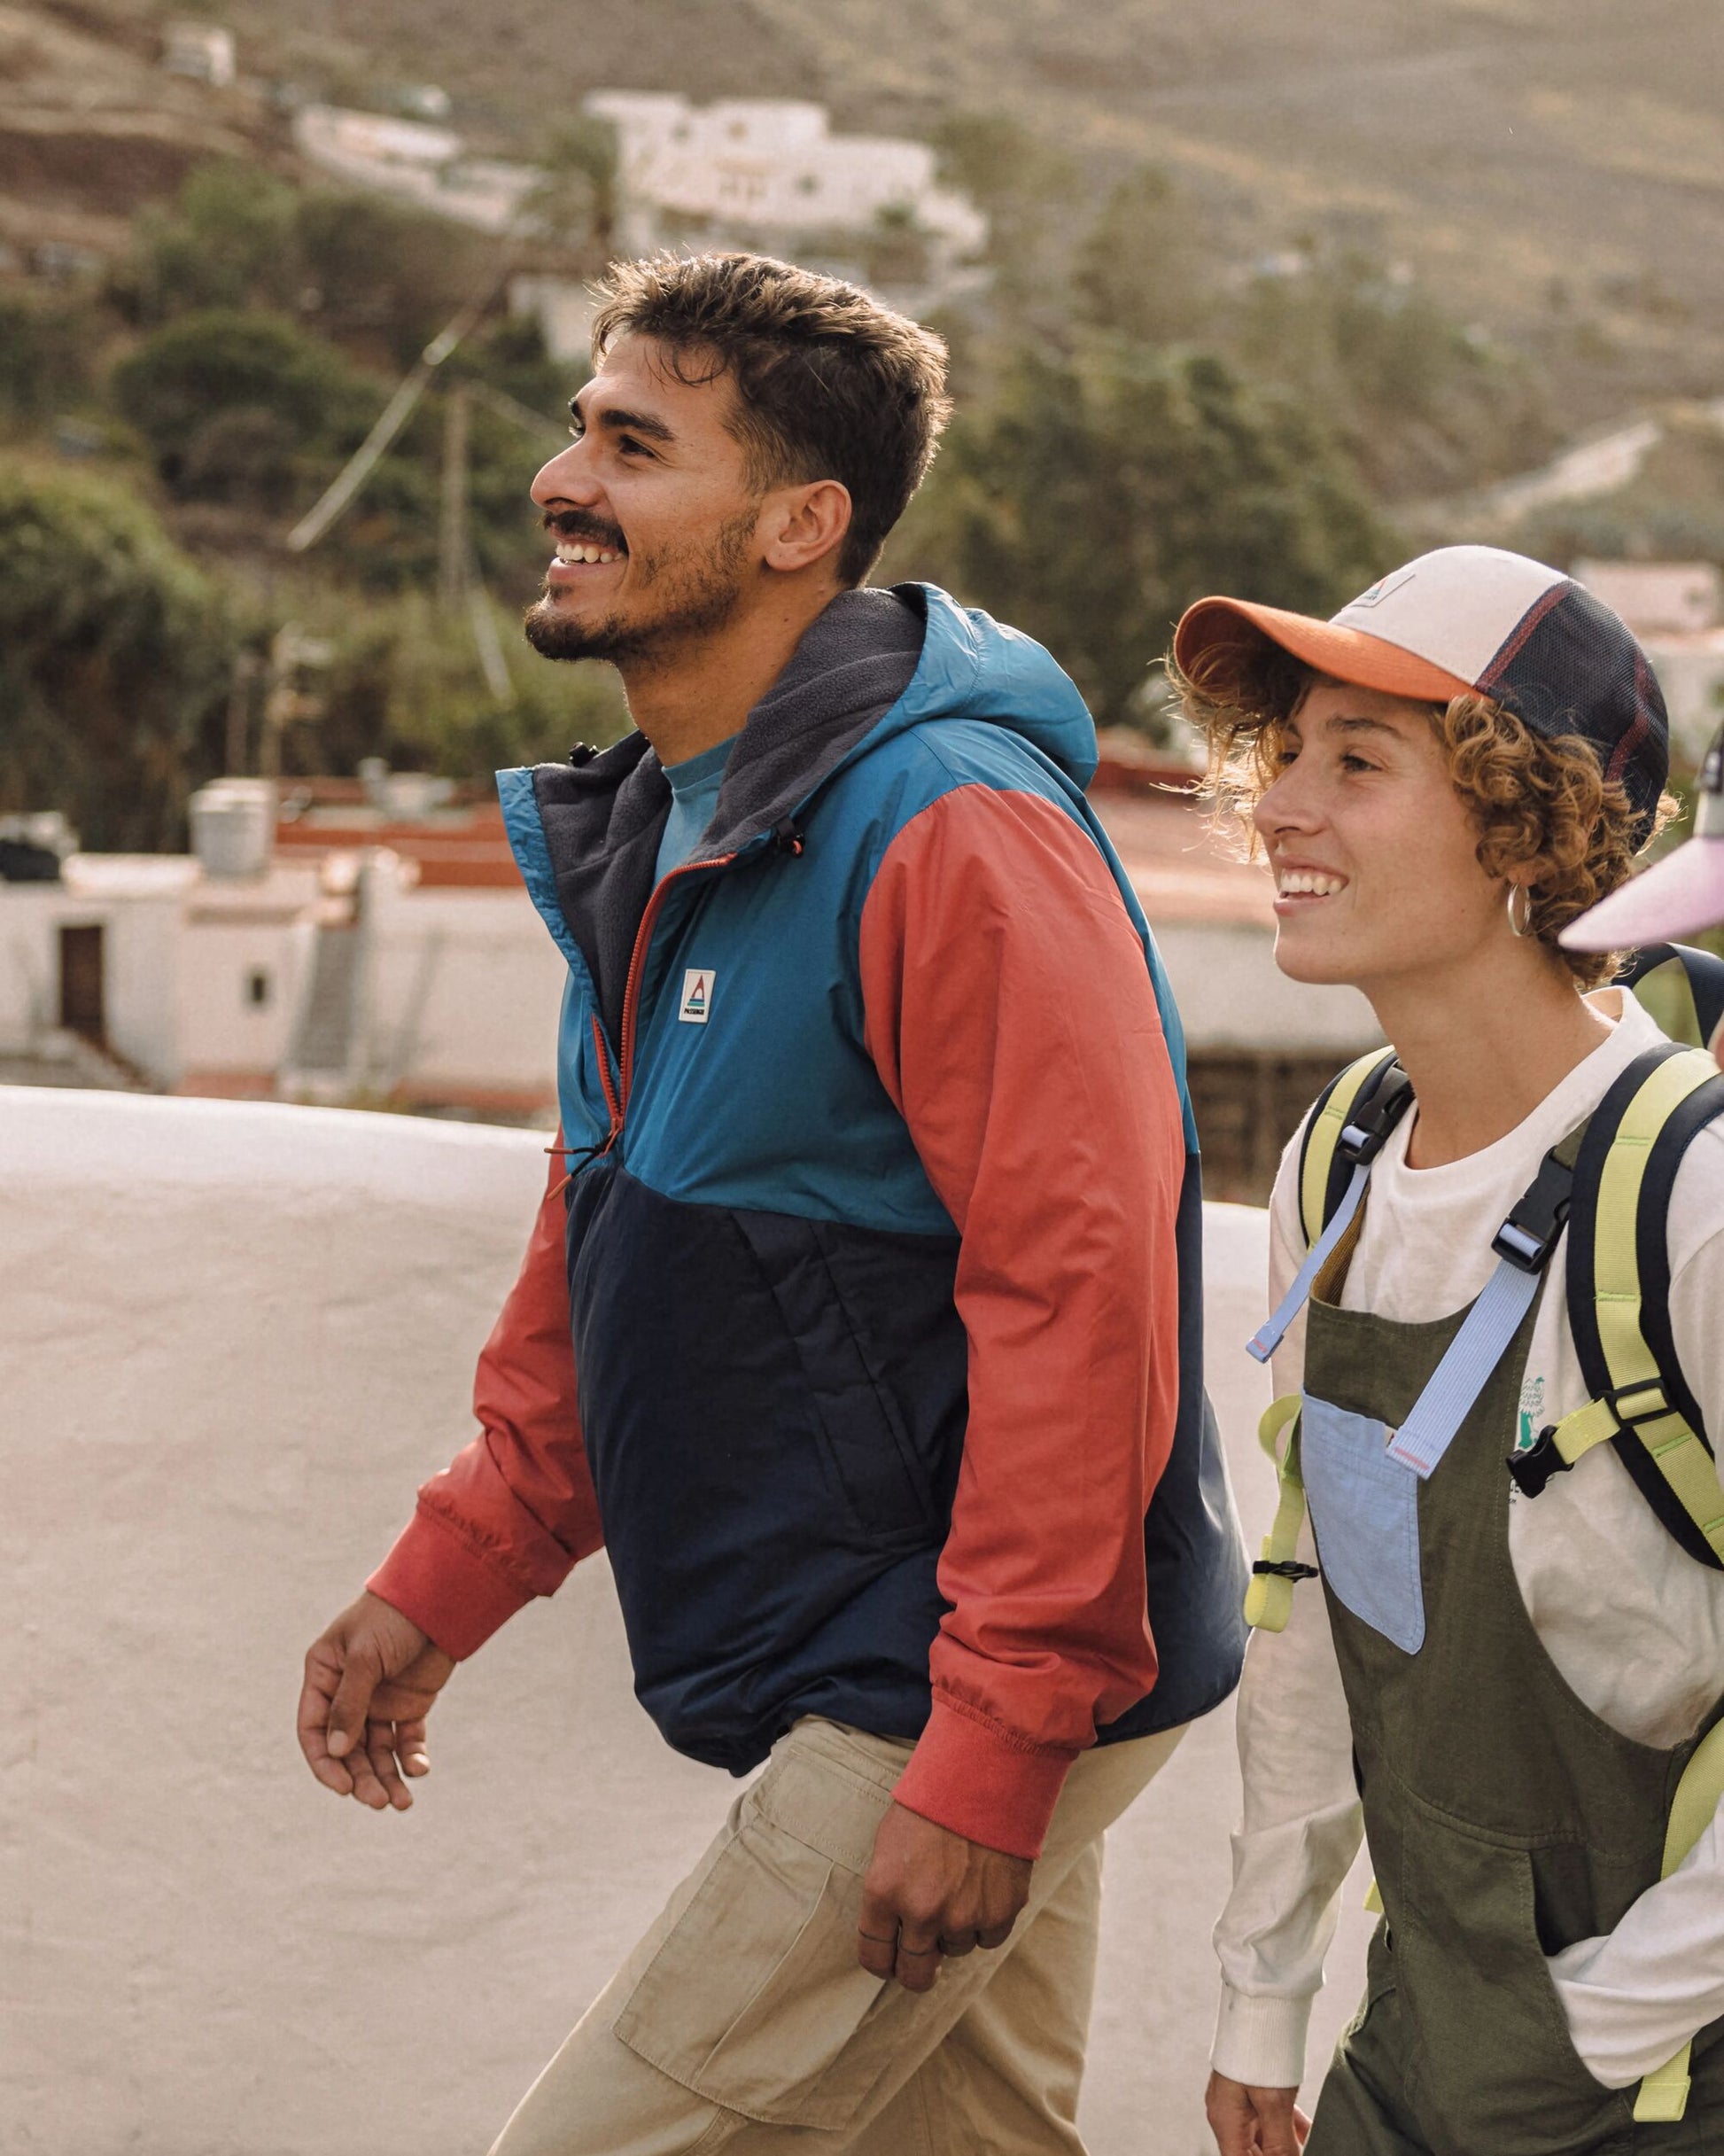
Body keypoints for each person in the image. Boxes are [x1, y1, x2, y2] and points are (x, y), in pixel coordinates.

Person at [296, 251, 1247, 2154]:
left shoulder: (947, 823)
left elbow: (1083, 1289)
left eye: (634, 447)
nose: (564, 480)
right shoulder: (664, 820)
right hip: (906, 1661)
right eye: (579, 429)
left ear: (801, 521)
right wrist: (452, 1571)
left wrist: (992, 1736)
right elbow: (613, 1236)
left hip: (942, 1675)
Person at [1169, 545, 1724, 2156]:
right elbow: (1312, 1590)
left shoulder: (1686, 1191)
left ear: (1529, 828)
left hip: (1667, 2076)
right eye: (1285, 753)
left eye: (1358, 763)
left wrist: (1592, 2024)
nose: (1280, 808)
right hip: (1421, 2042)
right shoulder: (1338, 1161)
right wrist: (1264, 1989)